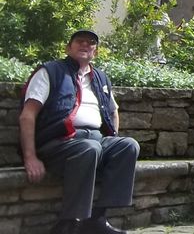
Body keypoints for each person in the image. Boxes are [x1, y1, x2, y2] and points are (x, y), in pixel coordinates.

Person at [18, 30, 140, 234]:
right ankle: (69, 223)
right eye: (79, 41)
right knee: (89, 148)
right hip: (57, 142)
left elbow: (113, 111)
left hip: (94, 141)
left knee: (128, 145)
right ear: (68, 48)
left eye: (90, 42)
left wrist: (112, 138)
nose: (85, 45)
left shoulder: (100, 77)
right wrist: (30, 157)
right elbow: (27, 115)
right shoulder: (50, 71)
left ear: (96, 51)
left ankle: (98, 218)